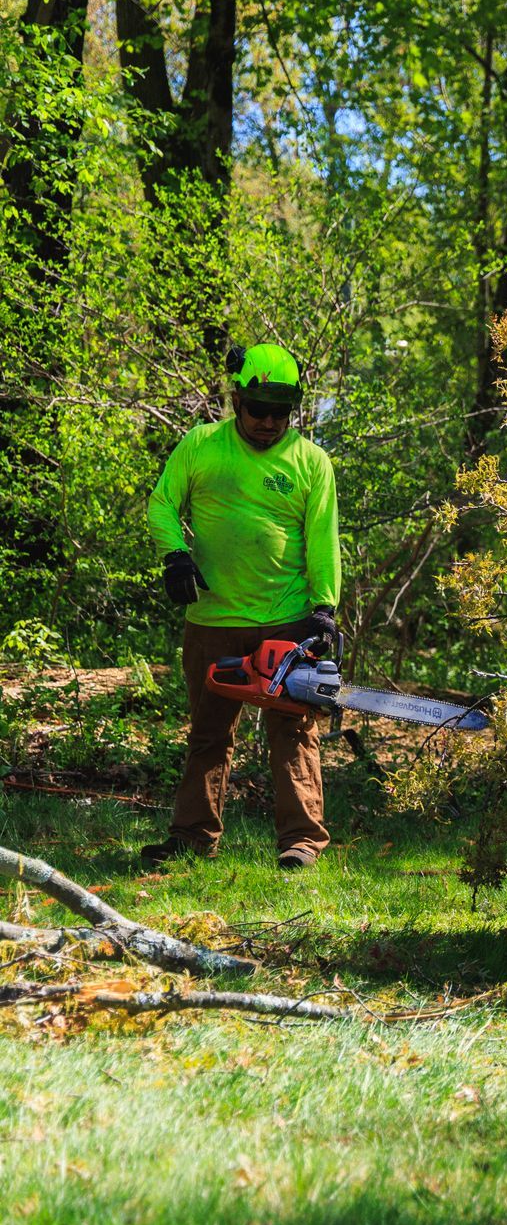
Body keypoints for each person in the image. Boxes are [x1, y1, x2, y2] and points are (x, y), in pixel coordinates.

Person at [142, 343, 341, 871]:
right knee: (209, 734)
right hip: (212, 619)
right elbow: (162, 504)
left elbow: (322, 540)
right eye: (259, 410)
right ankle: (192, 836)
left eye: (282, 412)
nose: (269, 422)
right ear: (237, 399)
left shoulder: (310, 461)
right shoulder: (201, 445)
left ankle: (301, 841)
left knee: (294, 732)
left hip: (286, 618)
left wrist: (324, 609)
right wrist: (176, 556)